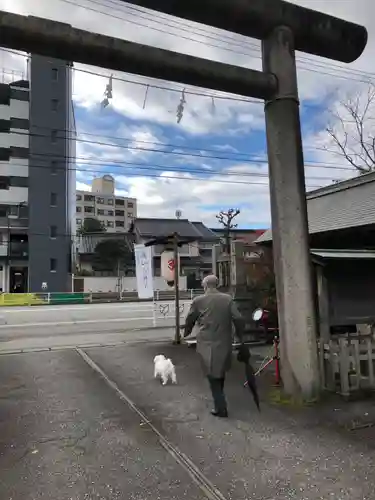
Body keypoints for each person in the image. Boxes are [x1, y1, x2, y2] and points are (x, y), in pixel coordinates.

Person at [184, 274, 245, 418]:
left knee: (212, 374)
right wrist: (239, 334)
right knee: (219, 371)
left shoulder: (198, 300)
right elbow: (238, 318)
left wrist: (186, 333)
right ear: (217, 285)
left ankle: (221, 407)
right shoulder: (227, 299)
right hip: (224, 340)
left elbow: (190, 319)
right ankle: (219, 403)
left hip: (206, 342)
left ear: (204, 285)